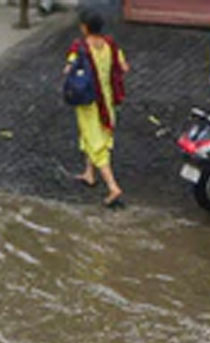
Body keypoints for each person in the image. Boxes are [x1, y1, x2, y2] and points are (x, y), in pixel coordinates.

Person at [64, 9, 129, 208]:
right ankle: (89, 173)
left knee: (95, 141)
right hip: (107, 100)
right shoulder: (110, 44)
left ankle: (113, 187)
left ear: (84, 27)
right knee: (95, 135)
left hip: (89, 103)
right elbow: (124, 67)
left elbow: (67, 70)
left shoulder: (79, 47)